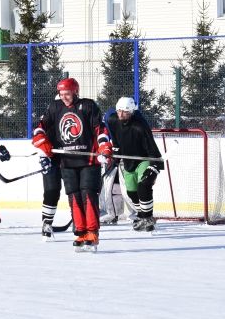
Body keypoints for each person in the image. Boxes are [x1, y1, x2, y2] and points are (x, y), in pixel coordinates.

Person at [31, 78, 112, 251]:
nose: (64, 97)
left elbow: (100, 130)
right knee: (74, 197)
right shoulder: (55, 107)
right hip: (66, 161)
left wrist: (104, 148)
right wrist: (41, 142)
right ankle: (80, 232)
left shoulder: (89, 106)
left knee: (88, 195)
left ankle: (92, 232)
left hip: (88, 160)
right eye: (61, 94)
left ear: (75, 91)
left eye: (67, 93)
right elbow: (40, 127)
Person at [105, 97, 164, 232]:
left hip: (143, 159)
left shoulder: (139, 126)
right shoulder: (112, 120)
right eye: (119, 111)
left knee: (144, 186)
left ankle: (147, 218)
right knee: (132, 193)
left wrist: (154, 165)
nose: (120, 114)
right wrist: (115, 154)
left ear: (131, 112)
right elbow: (115, 139)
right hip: (127, 161)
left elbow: (151, 147)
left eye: (124, 112)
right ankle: (142, 215)